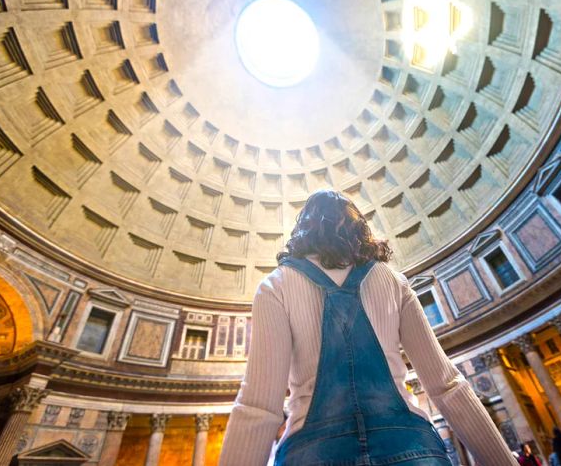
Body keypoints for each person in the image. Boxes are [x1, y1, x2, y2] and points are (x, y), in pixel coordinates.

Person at [219, 190, 517, 465]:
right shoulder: (392, 280)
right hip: (412, 449)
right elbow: (447, 385)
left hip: (312, 454)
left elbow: (259, 407)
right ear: (358, 225)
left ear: (304, 227)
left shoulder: (275, 285)